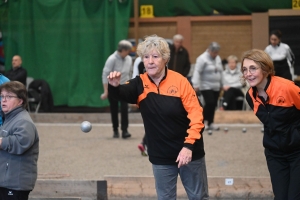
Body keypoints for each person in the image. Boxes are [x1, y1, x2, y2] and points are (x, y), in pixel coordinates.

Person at [107, 35, 209, 200]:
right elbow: (121, 93)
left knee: (198, 197)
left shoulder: (181, 82)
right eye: (146, 57)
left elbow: (197, 116)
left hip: (189, 152)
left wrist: (188, 146)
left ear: (165, 59)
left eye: (155, 56)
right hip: (161, 155)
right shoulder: (139, 84)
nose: (150, 61)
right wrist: (113, 86)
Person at [242, 49, 300, 199]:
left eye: (253, 68)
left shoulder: (288, 88)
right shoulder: (250, 96)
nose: (248, 73)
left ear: (265, 68)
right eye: (245, 69)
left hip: (297, 152)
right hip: (274, 154)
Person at [0, 81, 39, 200]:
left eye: (9, 96)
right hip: (7, 182)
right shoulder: (9, 119)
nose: (3, 100)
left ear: (20, 101)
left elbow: (22, 142)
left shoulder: (23, 121)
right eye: (2, 96)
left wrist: (1, 142)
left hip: (15, 185)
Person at [101, 40, 133, 139]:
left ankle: (125, 130)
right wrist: (106, 90)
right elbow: (105, 74)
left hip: (124, 87)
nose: (129, 52)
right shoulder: (111, 59)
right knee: (114, 109)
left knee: (124, 109)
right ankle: (115, 130)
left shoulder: (129, 59)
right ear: (122, 50)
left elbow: (130, 73)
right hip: (113, 88)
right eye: (128, 50)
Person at [192, 42, 222, 131]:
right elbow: (197, 71)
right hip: (205, 85)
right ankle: (204, 121)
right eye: (214, 53)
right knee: (209, 103)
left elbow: (221, 71)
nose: (216, 54)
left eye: (217, 52)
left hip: (216, 86)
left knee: (214, 104)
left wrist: (223, 83)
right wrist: (195, 84)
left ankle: (211, 122)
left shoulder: (218, 58)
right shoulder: (202, 59)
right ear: (209, 51)